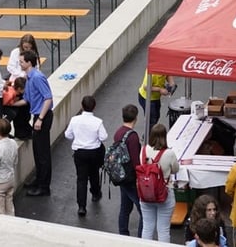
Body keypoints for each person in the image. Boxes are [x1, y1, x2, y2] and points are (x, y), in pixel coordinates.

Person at [14, 50, 53, 196]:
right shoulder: (29, 77)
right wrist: (12, 104)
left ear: (29, 62)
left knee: (42, 153)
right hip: (37, 115)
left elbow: (48, 98)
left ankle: (44, 186)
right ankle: (39, 179)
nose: (20, 63)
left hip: (42, 116)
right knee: (37, 151)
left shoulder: (36, 77)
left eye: (22, 61)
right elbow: (27, 99)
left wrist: (40, 119)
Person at [64, 95, 107, 216]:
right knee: (94, 173)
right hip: (94, 151)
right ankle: (95, 193)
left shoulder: (74, 120)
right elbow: (104, 137)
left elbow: (68, 135)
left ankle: (81, 206)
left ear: (82, 106)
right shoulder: (98, 122)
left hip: (80, 152)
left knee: (81, 178)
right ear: (94, 107)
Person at [139, 123, 180, 243]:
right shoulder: (169, 153)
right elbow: (176, 169)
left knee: (147, 227)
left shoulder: (143, 151)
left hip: (146, 192)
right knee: (163, 229)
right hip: (164, 193)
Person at [114, 105, 143, 237]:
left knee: (125, 208)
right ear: (135, 118)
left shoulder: (118, 132)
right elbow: (135, 161)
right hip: (131, 177)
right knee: (143, 210)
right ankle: (141, 237)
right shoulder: (133, 137)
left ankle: (123, 233)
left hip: (121, 175)